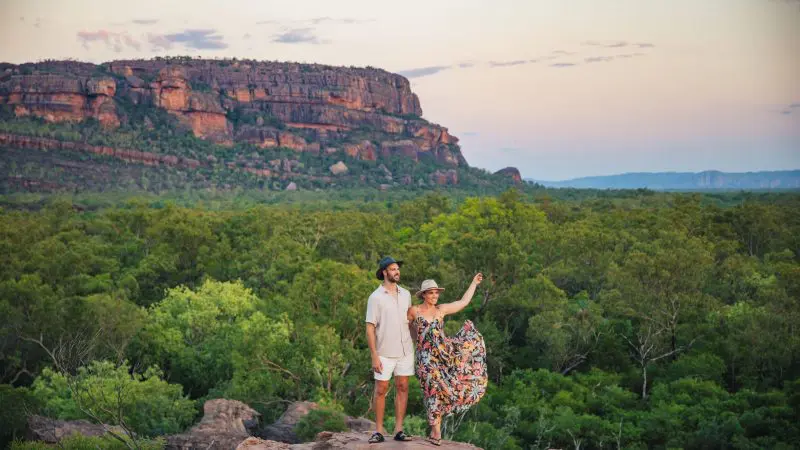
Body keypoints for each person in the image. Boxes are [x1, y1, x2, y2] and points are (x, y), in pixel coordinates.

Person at [407, 274, 488, 446]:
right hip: (425, 359)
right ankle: (436, 431)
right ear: (423, 295)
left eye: (436, 293)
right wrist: (416, 343)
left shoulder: (441, 310)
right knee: (432, 389)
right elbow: (407, 328)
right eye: (431, 293)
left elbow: (463, 302)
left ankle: (434, 429)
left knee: (444, 390)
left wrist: (474, 282)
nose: (435, 296)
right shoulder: (414, 311)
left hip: (444, 355)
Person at [365, 256, 414, 443]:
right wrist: (374, 355)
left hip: (405, 350)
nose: (397, 272)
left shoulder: (406, 294)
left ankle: (399, 430)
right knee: (381, 389)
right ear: (385, 272)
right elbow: (370, 327)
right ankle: (377, 431)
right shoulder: (375, 297)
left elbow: (410, 322)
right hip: (384, 351)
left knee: (403, 387)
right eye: (393, 269)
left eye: (398, 269)